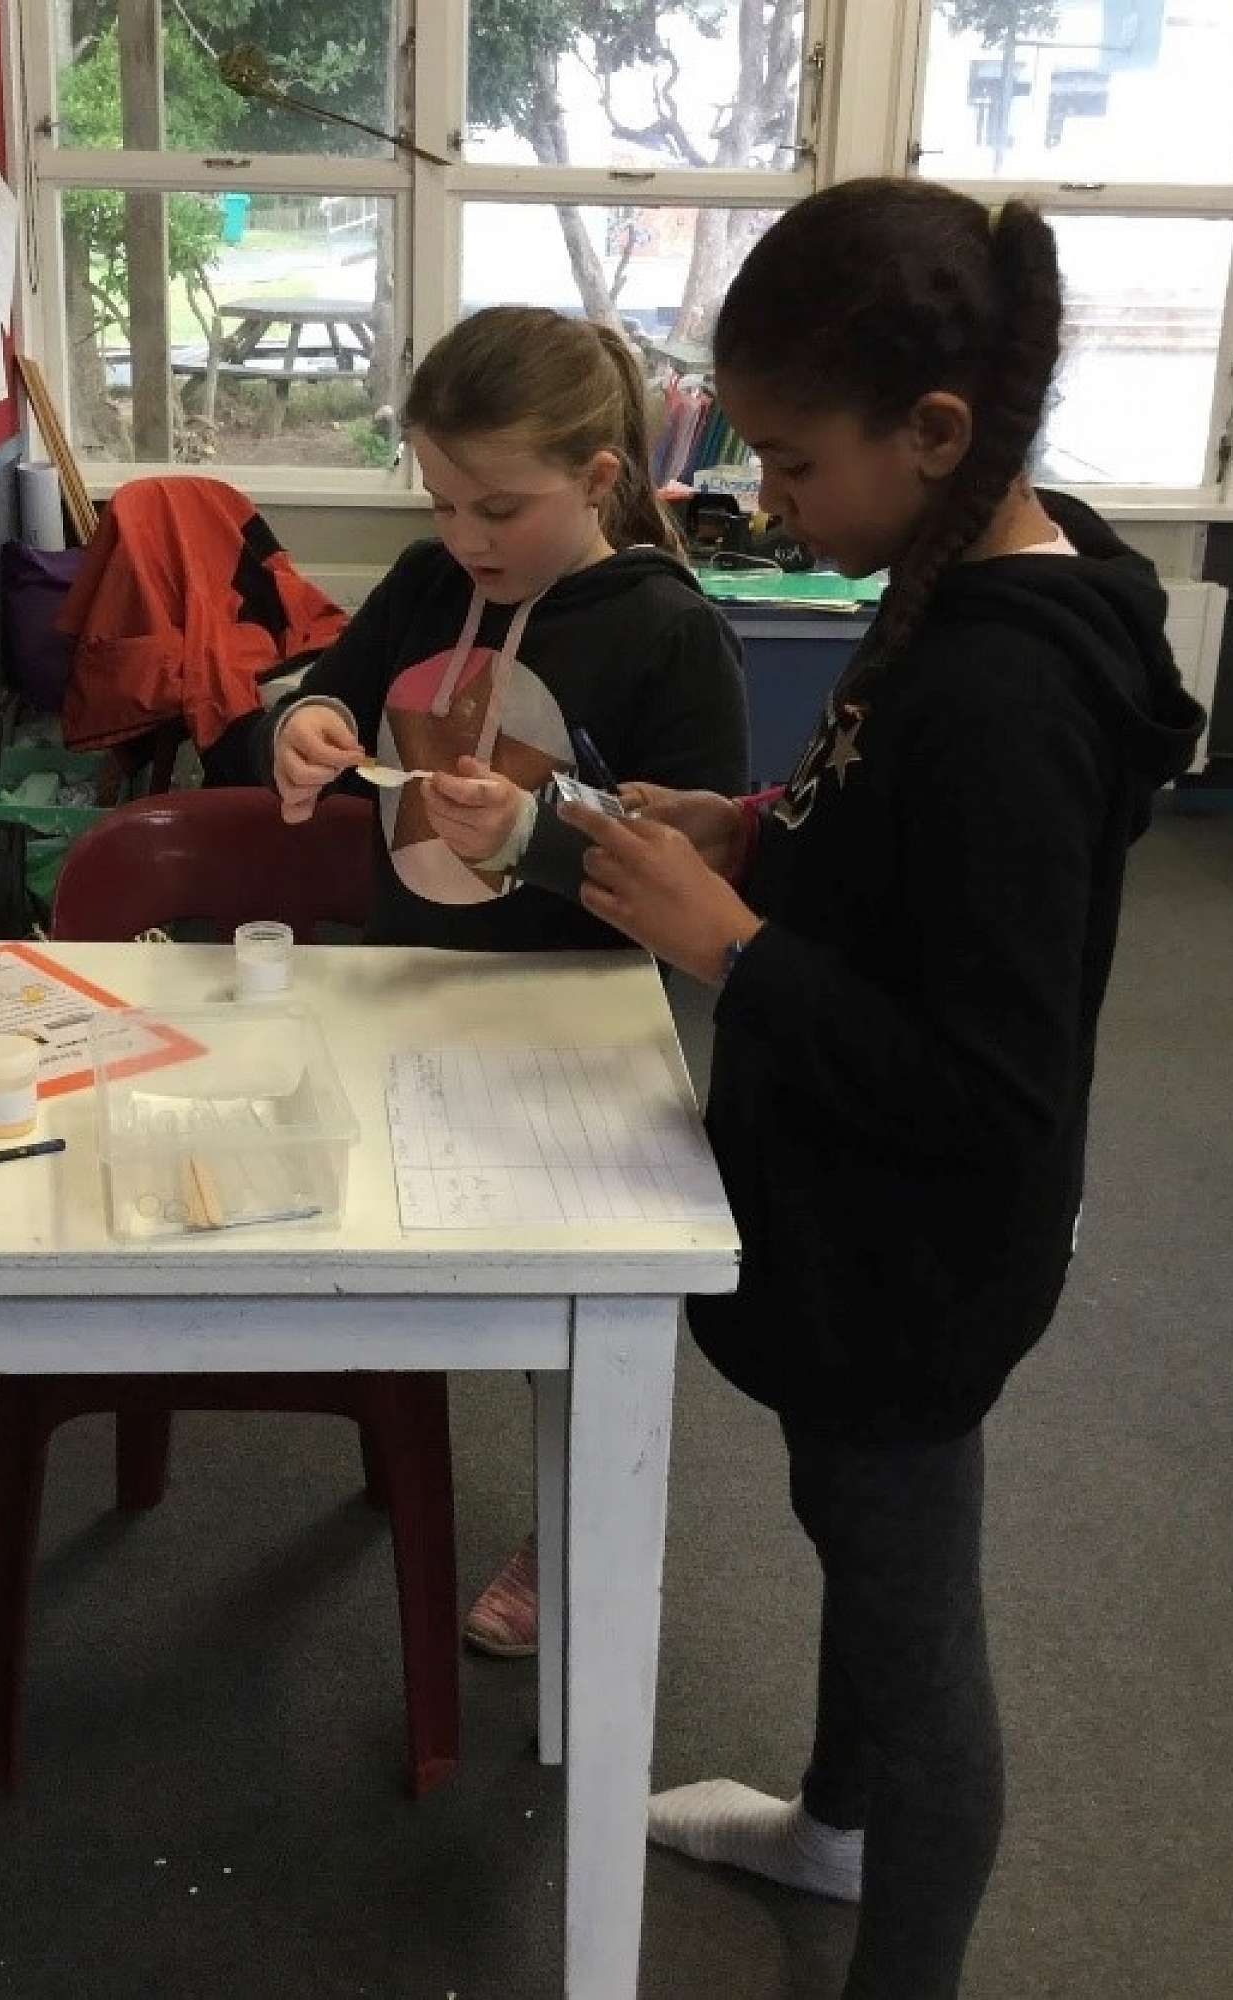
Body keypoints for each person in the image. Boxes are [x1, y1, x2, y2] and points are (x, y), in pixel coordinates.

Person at [549, 179, 1207, 1999]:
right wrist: (756, 828)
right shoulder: (960, 572)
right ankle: (829, 1826)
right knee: (849, 1530)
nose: (765, 500)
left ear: (931, 432)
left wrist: (731, 948)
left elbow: (988, 1081)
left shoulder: (1009, 696)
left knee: (918, 1648)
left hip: (918, 1251)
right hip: (849, 1210)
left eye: (789, 461)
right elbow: (901, 853)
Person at [264, 303, 748, 1655]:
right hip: (407, 983)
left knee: (573, 1304)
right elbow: (331, 690)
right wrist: (306, 722)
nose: (466, 534)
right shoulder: (429, 582)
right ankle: (408, 1427)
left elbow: (696, 868)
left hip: (576, 1025)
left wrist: (536, 834)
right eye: (440, 499)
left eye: (498, 507)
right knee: (388, 1235)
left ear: (597, 479)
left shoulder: (667, 631)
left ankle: (571, 1512)